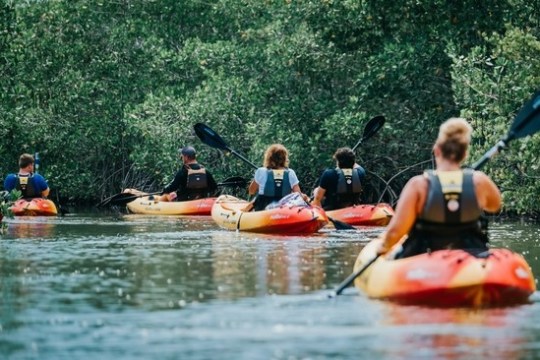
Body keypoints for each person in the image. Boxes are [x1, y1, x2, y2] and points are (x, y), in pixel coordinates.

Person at [377, 117, 502, 258]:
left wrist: (382, 248)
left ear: (436, 150)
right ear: (465, 155)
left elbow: (395, 232)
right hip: (471, 256)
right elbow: (494, 206)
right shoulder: (479, 181)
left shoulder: (418, 185)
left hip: (424, 256)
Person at [247, 144, 309, 211]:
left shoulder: (260, 171)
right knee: (303, 197)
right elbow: (298, 195)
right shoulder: (291, 172)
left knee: (256, 199)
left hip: (263, 208)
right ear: (285, 158)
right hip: (283, 209)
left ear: (269, 158)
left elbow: (251, 191)